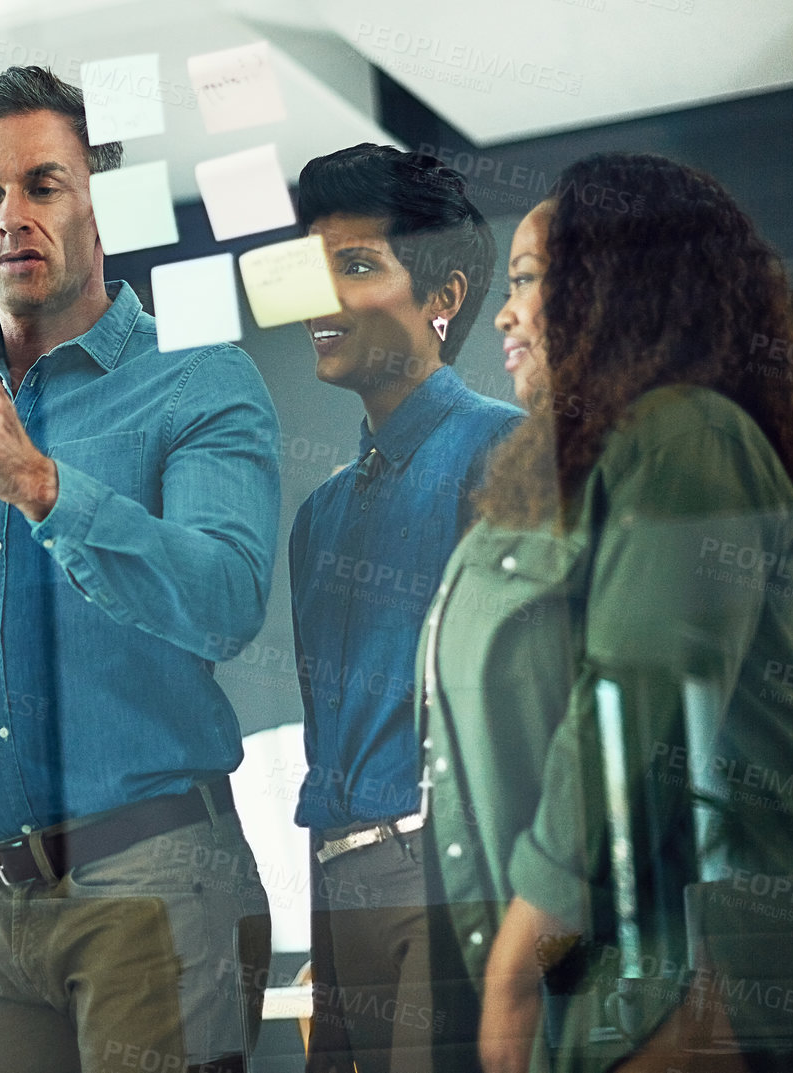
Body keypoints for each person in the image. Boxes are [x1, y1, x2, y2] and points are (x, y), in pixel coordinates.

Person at [419, 153, 793, 1073]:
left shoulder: (684, 434)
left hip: (701, 974)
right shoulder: (589, 468)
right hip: (613, 977)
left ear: (616, 289)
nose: (502, 314)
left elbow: (632, 709)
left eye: (530, 280)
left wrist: (511, 968)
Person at [0, 65, 280, 1073]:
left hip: (151, 878)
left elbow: (224, 601)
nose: (8, 215)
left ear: (97, 195)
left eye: (42, 184)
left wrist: (39, 482)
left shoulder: (197, 378)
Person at [286, 144, 520, 1073]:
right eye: (315, 269)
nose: (322, 300)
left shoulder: (507, 457)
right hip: (343, 892)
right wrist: (328, 985)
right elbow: (326, 752)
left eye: (355, 266)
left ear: (443, 295)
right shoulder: (318, 516)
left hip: (455, 879)